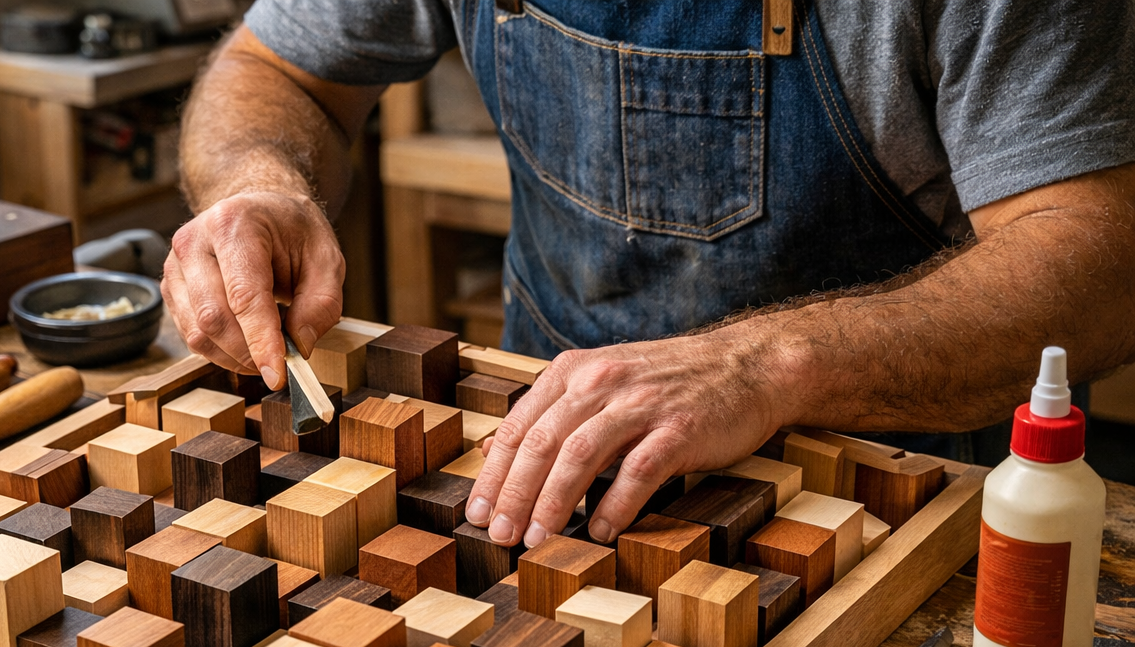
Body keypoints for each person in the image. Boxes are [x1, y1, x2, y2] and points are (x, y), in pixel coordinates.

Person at [161, 0, 1135, 549]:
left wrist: (764, 367)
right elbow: (274, 70)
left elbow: (1101, 264)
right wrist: (260, 183)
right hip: (548, 449)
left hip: (887, 487)